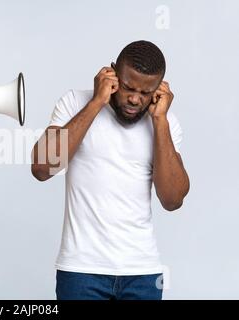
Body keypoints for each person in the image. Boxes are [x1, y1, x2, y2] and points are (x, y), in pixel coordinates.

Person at [31, 40, 190, 300]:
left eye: (145, 92)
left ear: (159, 91)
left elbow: (172, 200)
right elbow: (42, 168)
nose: (135, 99)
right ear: (113, 73)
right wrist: (96, 102)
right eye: (128, 87)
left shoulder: (166, 122)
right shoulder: (75, 102)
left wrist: (160, 120)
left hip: (143, 273)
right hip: (81, 271)